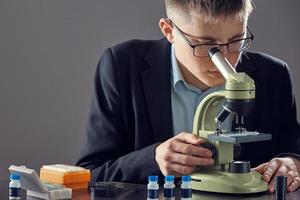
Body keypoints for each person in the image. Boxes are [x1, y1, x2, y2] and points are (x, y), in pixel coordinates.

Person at [77, 0, 300, 193]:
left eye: (236, 40)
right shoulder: (122, 66)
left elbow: (293, 151)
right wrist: (153, 159)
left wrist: (292, 164)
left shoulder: (274, 74)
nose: (225, 58)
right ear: (169, 30)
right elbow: (91, 172)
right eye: (207, 45)